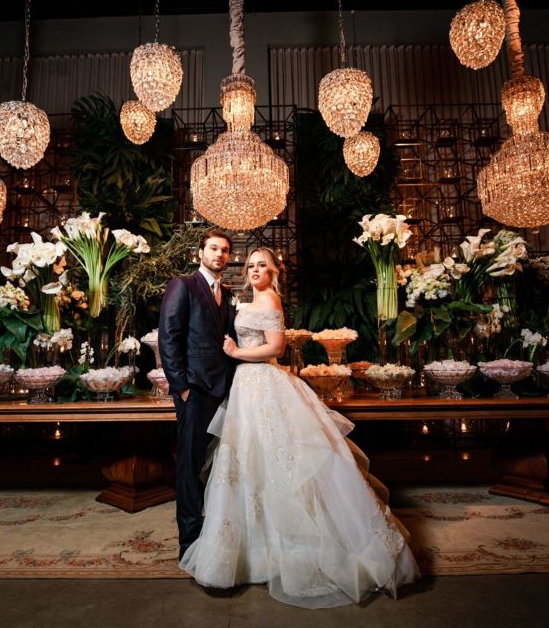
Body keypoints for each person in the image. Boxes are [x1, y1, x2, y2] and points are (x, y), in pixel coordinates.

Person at [179, 247, 418, 608]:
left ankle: (297, 546)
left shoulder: (270, 300)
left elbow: (276, 347)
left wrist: (236, 353)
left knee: (280, 462)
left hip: (261, 382)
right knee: (248, 464)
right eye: (251, 265)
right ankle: (254, 550)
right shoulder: (246, 299)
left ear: (274, 272)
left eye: (263, 265)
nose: (256, 269)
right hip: (245, 386)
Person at [158, 229, 239, 560]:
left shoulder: (228, 291)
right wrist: (183, 388)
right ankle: (188, 544)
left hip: (225, 389)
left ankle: (213, 530)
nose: (219, 254)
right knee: (189, 467)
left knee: (217, 464)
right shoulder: (184, 285)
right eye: (214, 248)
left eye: (225, 250)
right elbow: (169, 337)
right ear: (201, 253)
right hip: (196, 391)